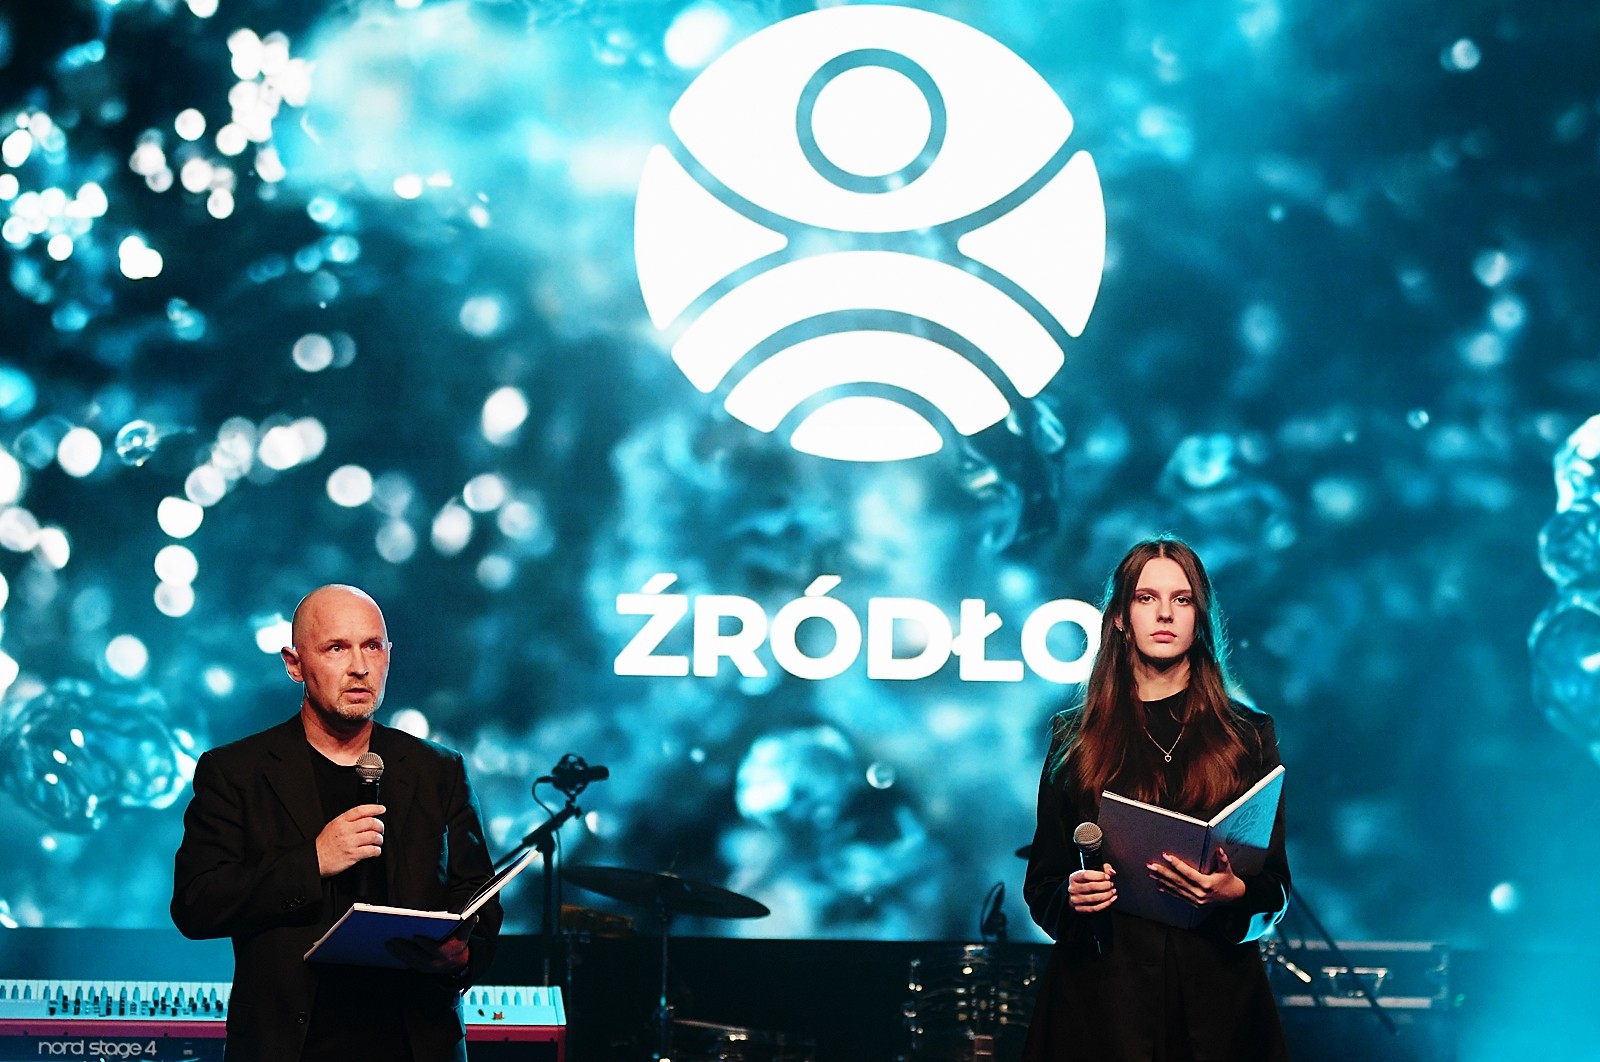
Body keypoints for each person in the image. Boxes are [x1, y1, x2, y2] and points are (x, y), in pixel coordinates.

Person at [172, 584, 502, 1062]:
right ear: (294, 664)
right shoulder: (236, 772)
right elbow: (196, 904)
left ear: (389, 656)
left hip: (415, 1043)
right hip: (290, 1046)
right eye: (336, 648)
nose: (359, 667)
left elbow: (478, 897)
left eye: (372, 647)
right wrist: (313, 861)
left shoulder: (437, 769)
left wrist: (463, 955)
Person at [1021, 538, 1290, 1061]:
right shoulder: (1075, 736)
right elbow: (1044, 884)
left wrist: (1234, 892)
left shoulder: (1247, 735)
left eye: (1181, 599)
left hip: (1217, 1008)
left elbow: (1275, 886)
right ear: (1121, 618)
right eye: (1146, 598)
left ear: (1199, 616)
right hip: (1102, 1006)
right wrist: (1074, 896)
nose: (1165, 613)